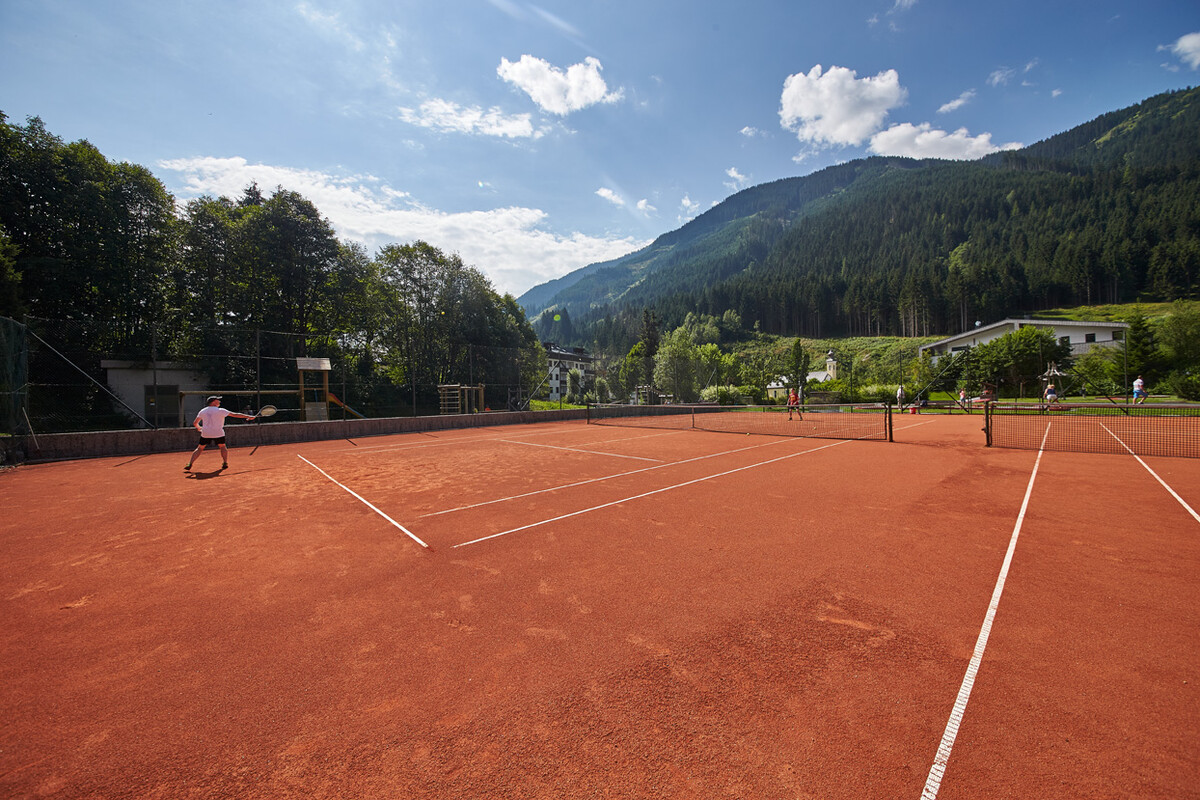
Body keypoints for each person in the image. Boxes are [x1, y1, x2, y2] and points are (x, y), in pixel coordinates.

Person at [185, 396, 255, 472]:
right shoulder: (221, 410)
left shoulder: (202, 411)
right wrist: (248, 416)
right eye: (218, 400)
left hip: (206, 433)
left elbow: (195, 423)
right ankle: (225, 463)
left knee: (199, 449)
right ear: (213, 402)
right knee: (222, 447)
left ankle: (190, 464)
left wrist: (199, 428)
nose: (219, 401)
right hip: (218, 433)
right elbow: (235, 414)